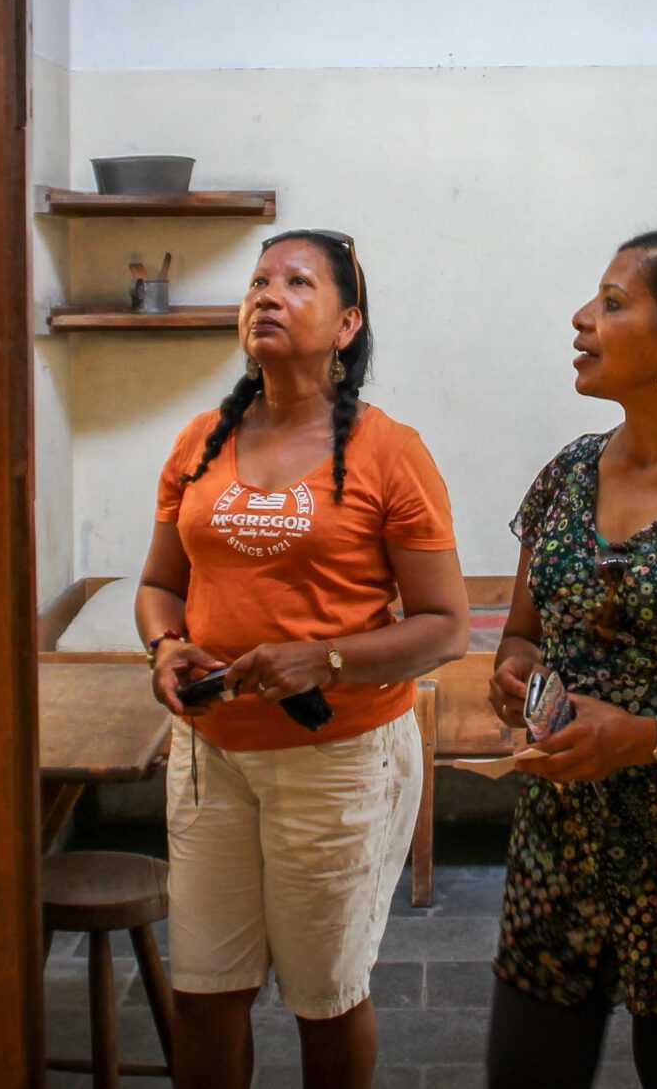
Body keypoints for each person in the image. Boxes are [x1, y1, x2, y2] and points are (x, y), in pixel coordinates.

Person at [139, 229, 471, 1089]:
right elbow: (157, 586)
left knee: (324, 997)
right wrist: (166, 648)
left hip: (340, 759)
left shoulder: (389, 453)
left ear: (348, 323)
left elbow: (444, 627)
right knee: (206, 992)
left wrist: (322, 660)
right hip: (212, 754)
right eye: (257, 281)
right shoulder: (199, 442)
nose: (267, 295)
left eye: (296, 282)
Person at [484, 229, 657, 1089]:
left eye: (611, 303)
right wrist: (518, 677)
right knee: (525, 1070)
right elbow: (522, 633)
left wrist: (642, 736)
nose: (581, 319)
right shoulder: (567, 475)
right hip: (558, 842)